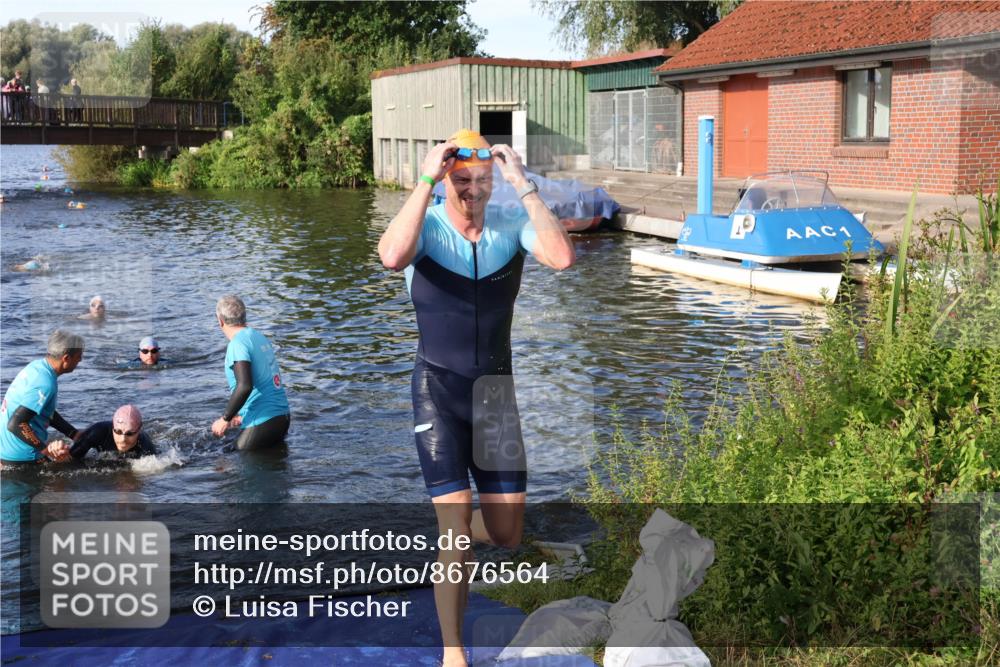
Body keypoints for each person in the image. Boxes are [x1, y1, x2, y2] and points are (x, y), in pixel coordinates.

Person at [377, 129, 575, 667]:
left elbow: (562, 258)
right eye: (461, 180)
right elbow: (391, 256)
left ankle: (459, 531)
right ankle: (453, 651)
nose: (472, 190)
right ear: (447, 180)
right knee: (456, 532)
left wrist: (522, 183)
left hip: (495, 397)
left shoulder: (509, 225)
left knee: (506, 532)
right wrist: (426, 178)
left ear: (493, 181)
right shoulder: (426, 227)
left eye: (482, 180)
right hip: (438, 391)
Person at [210, 295, 290, 450]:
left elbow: (245, 386)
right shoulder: (258, 336)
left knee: (220, 459)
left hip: (262, 421)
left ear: (220, 320)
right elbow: (265, 379)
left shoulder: (237, 344)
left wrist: (225, 419)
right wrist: (240, 414)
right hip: (282, 418)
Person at [0, 330, 84, 465]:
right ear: (66, 358)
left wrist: (72, 433)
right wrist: (45, 450)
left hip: (5, 449)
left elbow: (44, 410)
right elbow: (16, 423)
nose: (80, 360)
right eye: (79, 356)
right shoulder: (45, 383)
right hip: (22, 457)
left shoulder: (36, 367)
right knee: (78, 469)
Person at [69, 404, 157, 461]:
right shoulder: (97, 433)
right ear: (113, 427)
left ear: (139, 430)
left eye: (129, 433)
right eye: (118, 432)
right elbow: (70, 459)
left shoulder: (146, 447)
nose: (123, 439)